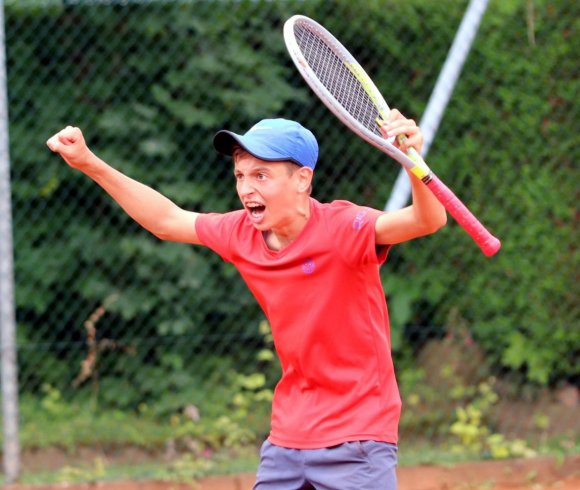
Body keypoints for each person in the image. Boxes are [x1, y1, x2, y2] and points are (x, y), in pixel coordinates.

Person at [47, 109, 446, 490]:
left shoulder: (345, 227)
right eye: (240, 175)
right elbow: (167, 221)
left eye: (261, 175)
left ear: (303, 180)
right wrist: (88, 162)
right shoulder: (241, 233)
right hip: (288, 437)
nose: (246, 188)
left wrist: (414, 161)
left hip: (357, 435)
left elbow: (427, 220)